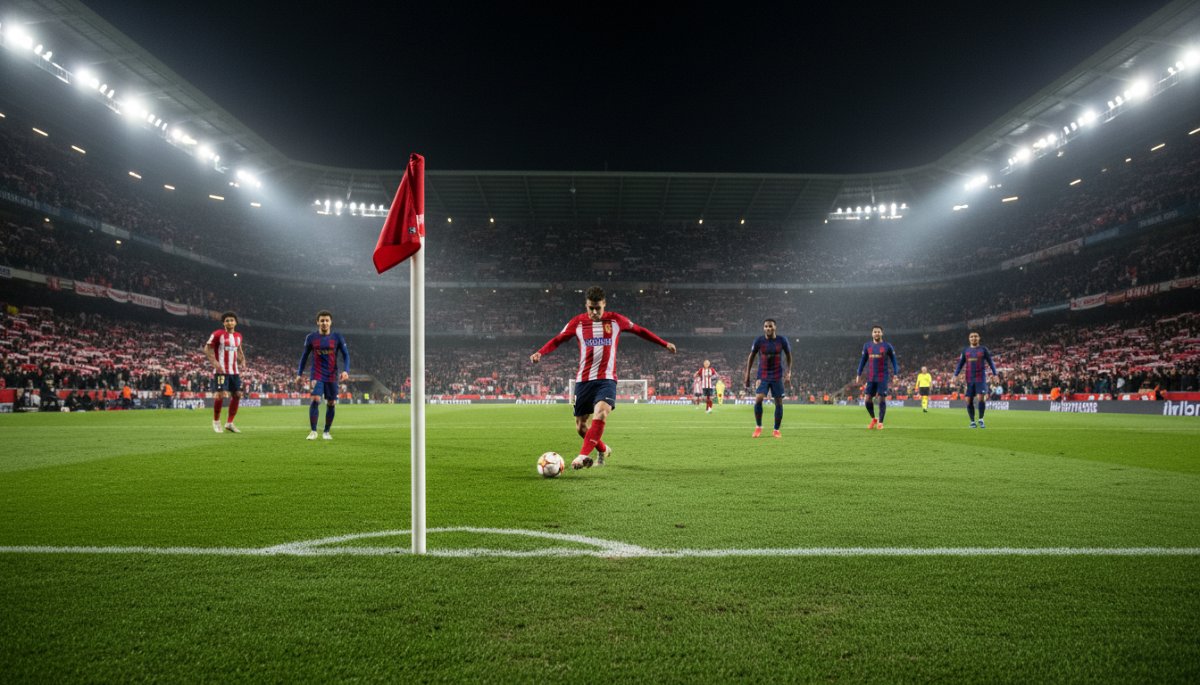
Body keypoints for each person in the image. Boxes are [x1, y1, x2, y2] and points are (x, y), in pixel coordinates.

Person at [530, 286, 676, 469]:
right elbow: (558, 339)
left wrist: (664, 344)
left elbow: (640, 330)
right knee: (581, 427)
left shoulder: (616, 320)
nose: (594, 312)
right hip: (583, 381)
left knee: (601, 412)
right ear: (586, 305)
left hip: (606, 379)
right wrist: (540, 352)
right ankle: (603, 448)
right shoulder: (577, 323)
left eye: (597, 308)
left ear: (604, 304)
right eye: (590, 308)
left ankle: (582, 456)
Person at [296, 310, 350, 440]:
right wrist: (299, 373)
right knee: (315, 399)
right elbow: (304, 356)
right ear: (317, 322)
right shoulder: (311, 338)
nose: (324, 323)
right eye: (322, 320)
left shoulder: (337, 337)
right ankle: (313, 431)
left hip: (332, 374)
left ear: (331, 322)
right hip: (317, 374)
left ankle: (326, 432)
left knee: (331, 403)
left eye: (327, 320)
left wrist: (346, 370)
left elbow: (346, 355)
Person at [743, 319, 792, 438]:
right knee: (758, 399)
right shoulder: (759, 341)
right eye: (766, 326)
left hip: (777, 375)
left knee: (778, 402)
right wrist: (747, 374)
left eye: (770, 326)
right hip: (763, 375)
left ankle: (776, 430)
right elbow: (751, 356)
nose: (768, 328)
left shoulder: (782, 340)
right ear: (763, 328)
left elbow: (789, 356)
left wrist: (788, 372)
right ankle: (758, 427)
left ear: (775, 327)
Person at [204, 311, 245, 433]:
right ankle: (216, 422)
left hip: (234, 371)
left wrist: (243, 360)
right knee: (220, 394)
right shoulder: (218, 334)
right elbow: (207, 348)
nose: (229, 322)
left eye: (232, 320)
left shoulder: (238, 336)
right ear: (223, 323)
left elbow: (239, 350)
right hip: (221, 371)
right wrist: (215, 363)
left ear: (236, 322)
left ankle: (229, 423)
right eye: (227, 320)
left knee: (237, 394)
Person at [953, 331, 998, 428]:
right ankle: (972, 421)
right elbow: (960, 364)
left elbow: (990, 362)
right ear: (969, 339)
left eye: (975, 336)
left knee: (981, 398)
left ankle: (981, 419)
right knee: (968, 400)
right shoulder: (965, 350)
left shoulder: (983, 349)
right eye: (971, 337)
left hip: (980, 378)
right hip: (969, 379)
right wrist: (955, 375)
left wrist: (995, 374)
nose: (973, 338)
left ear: (979, 338)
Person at [856, 325, 898, 430]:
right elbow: (863, 360)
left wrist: (896, 374)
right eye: (875, 332)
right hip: (871, 377)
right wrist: (858, 374)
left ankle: (881, 422)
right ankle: (874, 418)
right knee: (867, 399)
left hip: (882, 376)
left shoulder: (887, 346)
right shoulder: (867, 346)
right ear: (872, 334)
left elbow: (894, 360)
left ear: (882, 333)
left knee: (881, 398)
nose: (877, 333)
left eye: (878, 332)